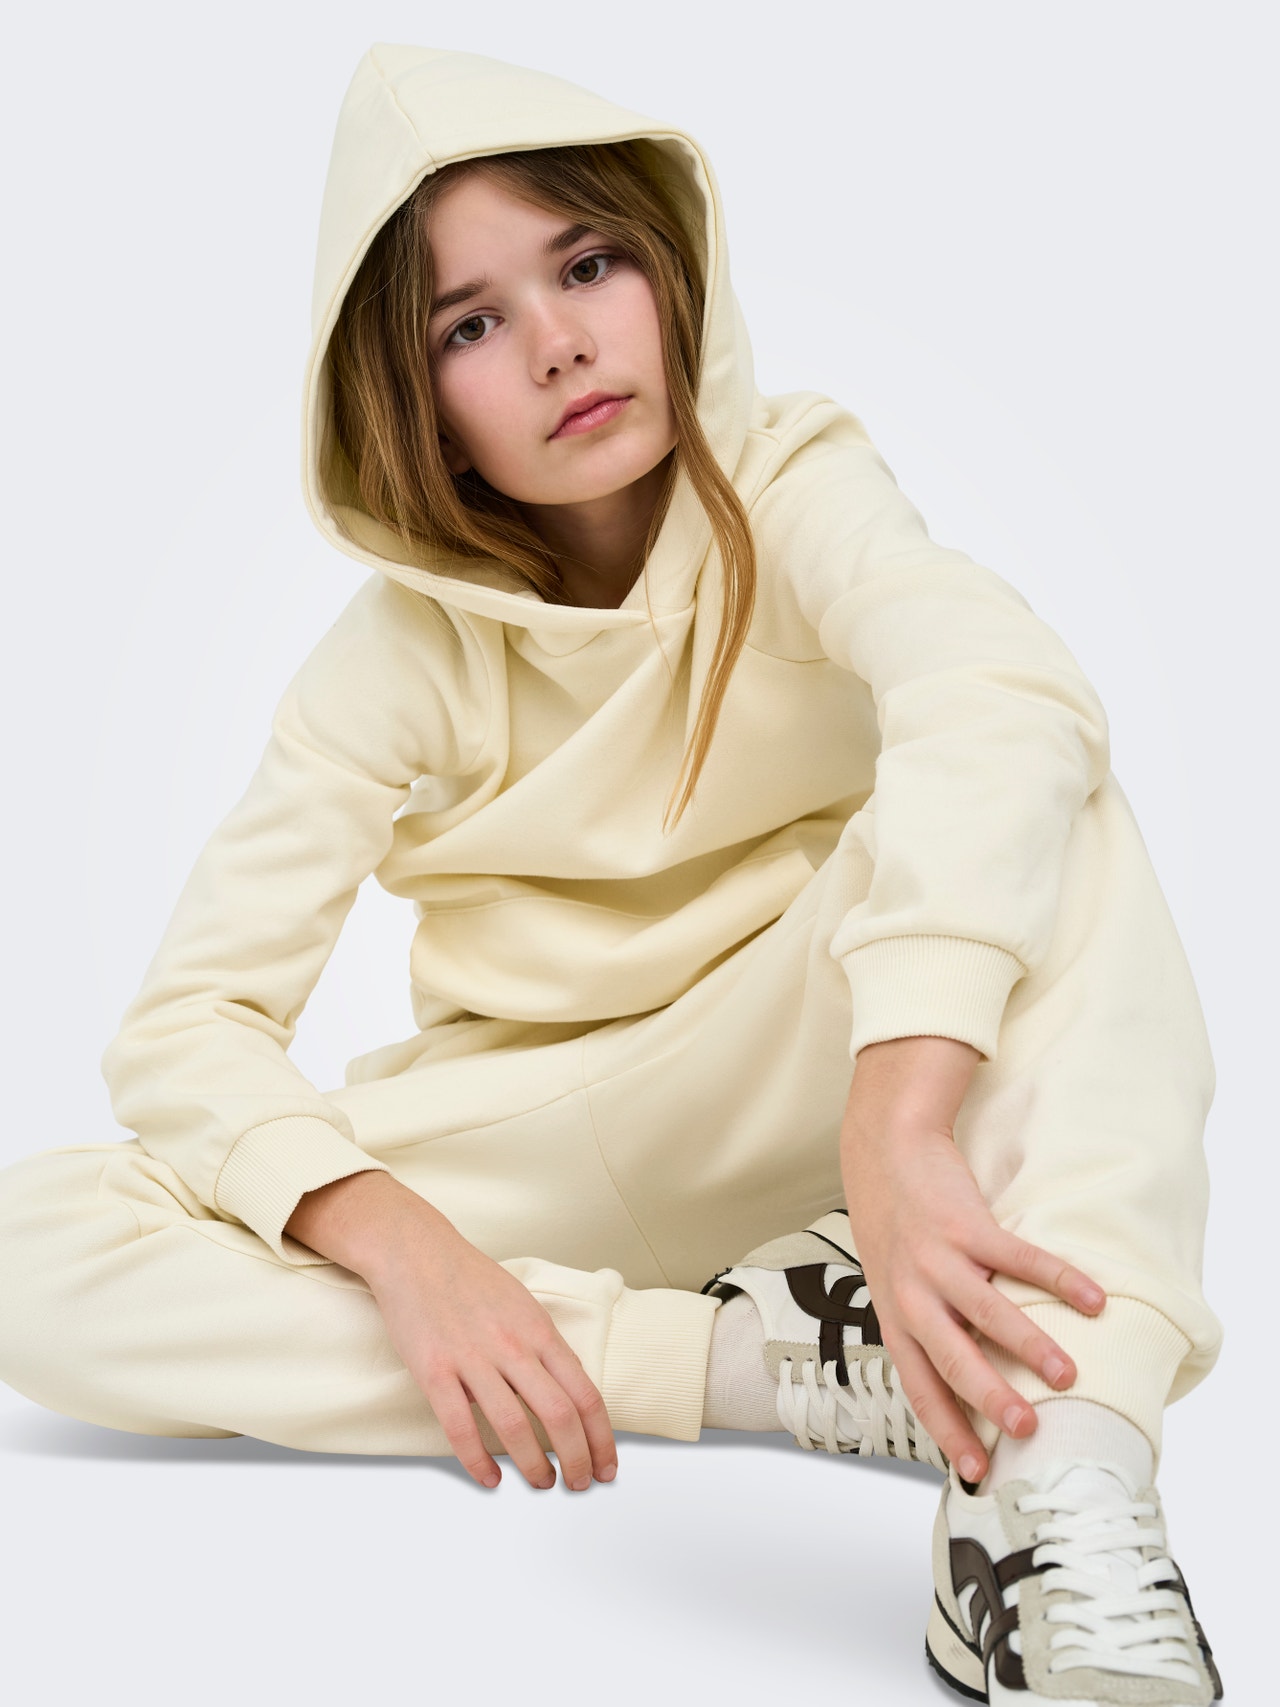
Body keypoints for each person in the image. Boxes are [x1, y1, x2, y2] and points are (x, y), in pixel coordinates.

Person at [0, 42, 1223, 1705]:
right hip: (545, 1134)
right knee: (40, 1247)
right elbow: (188, 1025)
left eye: (586, 266)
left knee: (1050, 800)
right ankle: (771, 1357)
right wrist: (405, 1248)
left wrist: (899, 1105)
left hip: (810, 1057)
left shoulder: (791, 481)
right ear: (415, 404)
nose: (559, 344)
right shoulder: (393, 659)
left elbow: (998, 688)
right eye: (470, 325)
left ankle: (1058, 1471)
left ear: (665, 271)